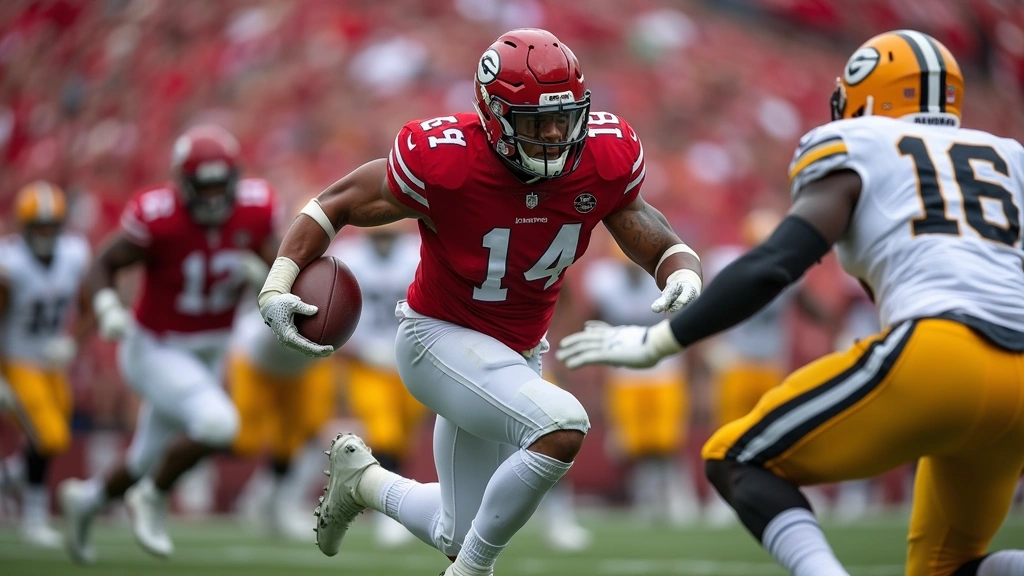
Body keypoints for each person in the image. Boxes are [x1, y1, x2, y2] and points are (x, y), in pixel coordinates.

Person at [557, 30, 1024, 576]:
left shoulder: (864, 144)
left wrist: (658, 341)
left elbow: (777, 261)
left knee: (735, 457)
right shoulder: (1010, 156)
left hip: (942, 351)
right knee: (948, 566)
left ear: (871, 93)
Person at [258, 28, 702, 576]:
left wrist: (676, 261)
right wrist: (280, 278)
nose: (557, 134)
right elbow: (340, 201)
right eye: (538, 122)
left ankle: (365, 483)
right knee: (562, 426)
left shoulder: (601, 155)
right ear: (493, 116)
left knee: (458, 529)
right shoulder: (447, 159)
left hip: (515, 352)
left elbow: (632, 213)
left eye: (566, 117)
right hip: (437, 340)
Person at [57, 125, 278, 564]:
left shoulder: (257, 208)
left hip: (211, 346)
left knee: (144, 457)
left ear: (235, 180)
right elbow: (104, 262)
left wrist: (268, 280)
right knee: (218, 425)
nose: (214, 197)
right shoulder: (158, 215)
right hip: (156, 347)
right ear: (184, 184)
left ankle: (88, 500)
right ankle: (152, 497)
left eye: (222, 186)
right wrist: (106, 308)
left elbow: (280, 262)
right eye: (204, 186)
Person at [580, 243, 697, 526]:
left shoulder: (663, 282)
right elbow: (592, 320)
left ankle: (679, 494)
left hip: (664, 372)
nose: (632, 270)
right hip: (625, 375)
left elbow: (685, 321)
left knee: (667, 440)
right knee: (633, 443)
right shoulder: (605, 282)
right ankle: (646, 495)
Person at [0, 182, 90, 547]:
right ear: (24, 227)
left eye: (50, 226)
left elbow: (88, 305)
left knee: (56, 437)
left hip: (51, 362)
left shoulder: (73, 254)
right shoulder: (11, 264)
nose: (45, 234)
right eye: (37, 227)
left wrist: (72, 343)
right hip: (18, 362)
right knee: (48, 435)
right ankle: (33, 518)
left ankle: (7, 478)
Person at [328, 222, 424, 548]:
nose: (383, 240)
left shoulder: (417, 253)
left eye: (389, 235)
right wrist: (355, 348)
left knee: (403, 435)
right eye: (378, 234)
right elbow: (331, 311)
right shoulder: (348, 257)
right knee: (384, 432)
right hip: (365, 362)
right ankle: (389, 511)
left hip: (410, 359)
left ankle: (387, 499)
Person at [228, 304, 335, 541]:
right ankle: (186, 467)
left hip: (303, 367)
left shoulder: (336, 288)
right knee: (243, 440)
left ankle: (274, 504)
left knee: (293, 439)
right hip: (257, 362)